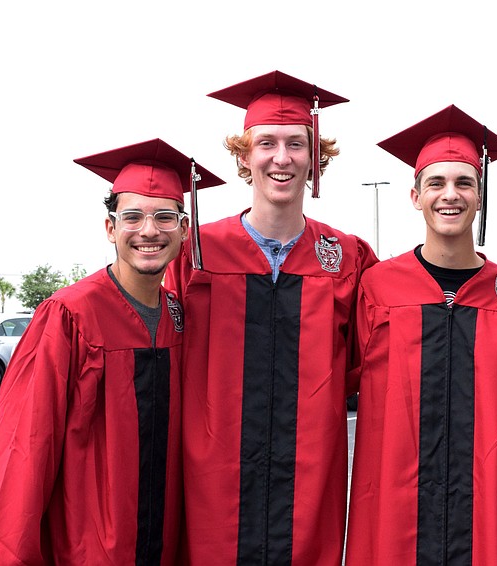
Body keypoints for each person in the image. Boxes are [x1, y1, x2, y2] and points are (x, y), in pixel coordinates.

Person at [0, 138, 224, 565]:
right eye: (133, 217)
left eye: (165, 217)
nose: (149, 231)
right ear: (110, 228)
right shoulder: (69, 316)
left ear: (184, 229)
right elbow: (24, 449)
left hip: (163, 540)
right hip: (88, 546)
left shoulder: (180, 318)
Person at [165, 70, 378, 565]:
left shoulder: (347, 258)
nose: (281, 158)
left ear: (315, 158)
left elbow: (395, 337)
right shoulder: (195, 253)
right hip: (213, 485)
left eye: (296, 145)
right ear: (244, 156)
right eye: (266, 143)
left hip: (310, 483)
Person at [344, 105, 497, 565]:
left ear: (480, 196)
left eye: (464, 182)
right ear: (414, 196)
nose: (450, 195)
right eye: (436, 183)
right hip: (395, 507)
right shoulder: (375, 286)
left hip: (486, 508)